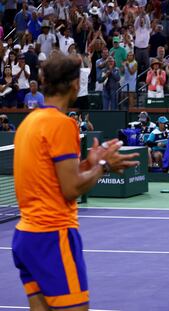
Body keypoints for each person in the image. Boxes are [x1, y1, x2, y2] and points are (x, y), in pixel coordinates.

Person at [12, 52, 138, 310]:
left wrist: (87, 165)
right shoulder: (62, 124)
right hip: (52, 237)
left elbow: (51, 177)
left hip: (25, 238)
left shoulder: (28, 123)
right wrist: (103, 166)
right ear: (75, 85)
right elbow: (70, 189)